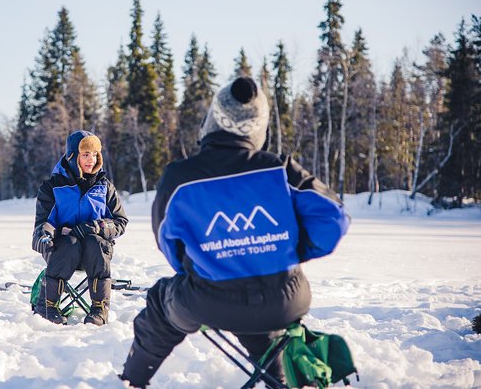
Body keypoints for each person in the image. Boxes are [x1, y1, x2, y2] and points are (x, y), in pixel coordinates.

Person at [119, 77, 350, 387]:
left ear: (213, 120)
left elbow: (167, 242)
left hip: (207, 300)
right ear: (260, 127)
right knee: (258, 313)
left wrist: (207, 260)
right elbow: (332, 219)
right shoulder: (281, 171)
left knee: (161, 303)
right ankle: (281, 380)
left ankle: (132, 381)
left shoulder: (180, 178)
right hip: (284, 300)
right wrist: (284, 251)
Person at [32, 129, 128, 325]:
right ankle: (47, 306)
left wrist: (96, 226)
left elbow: (120, 221)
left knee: (95, 242)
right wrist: (46, 236)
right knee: (70, 243)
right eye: (86, 154)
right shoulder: (52, 187)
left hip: (95, 253)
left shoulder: (105, 187)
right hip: (62, 251)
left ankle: (99, 310)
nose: (91, 159)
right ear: (72, 156)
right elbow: (44, 223)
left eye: (95, 154)